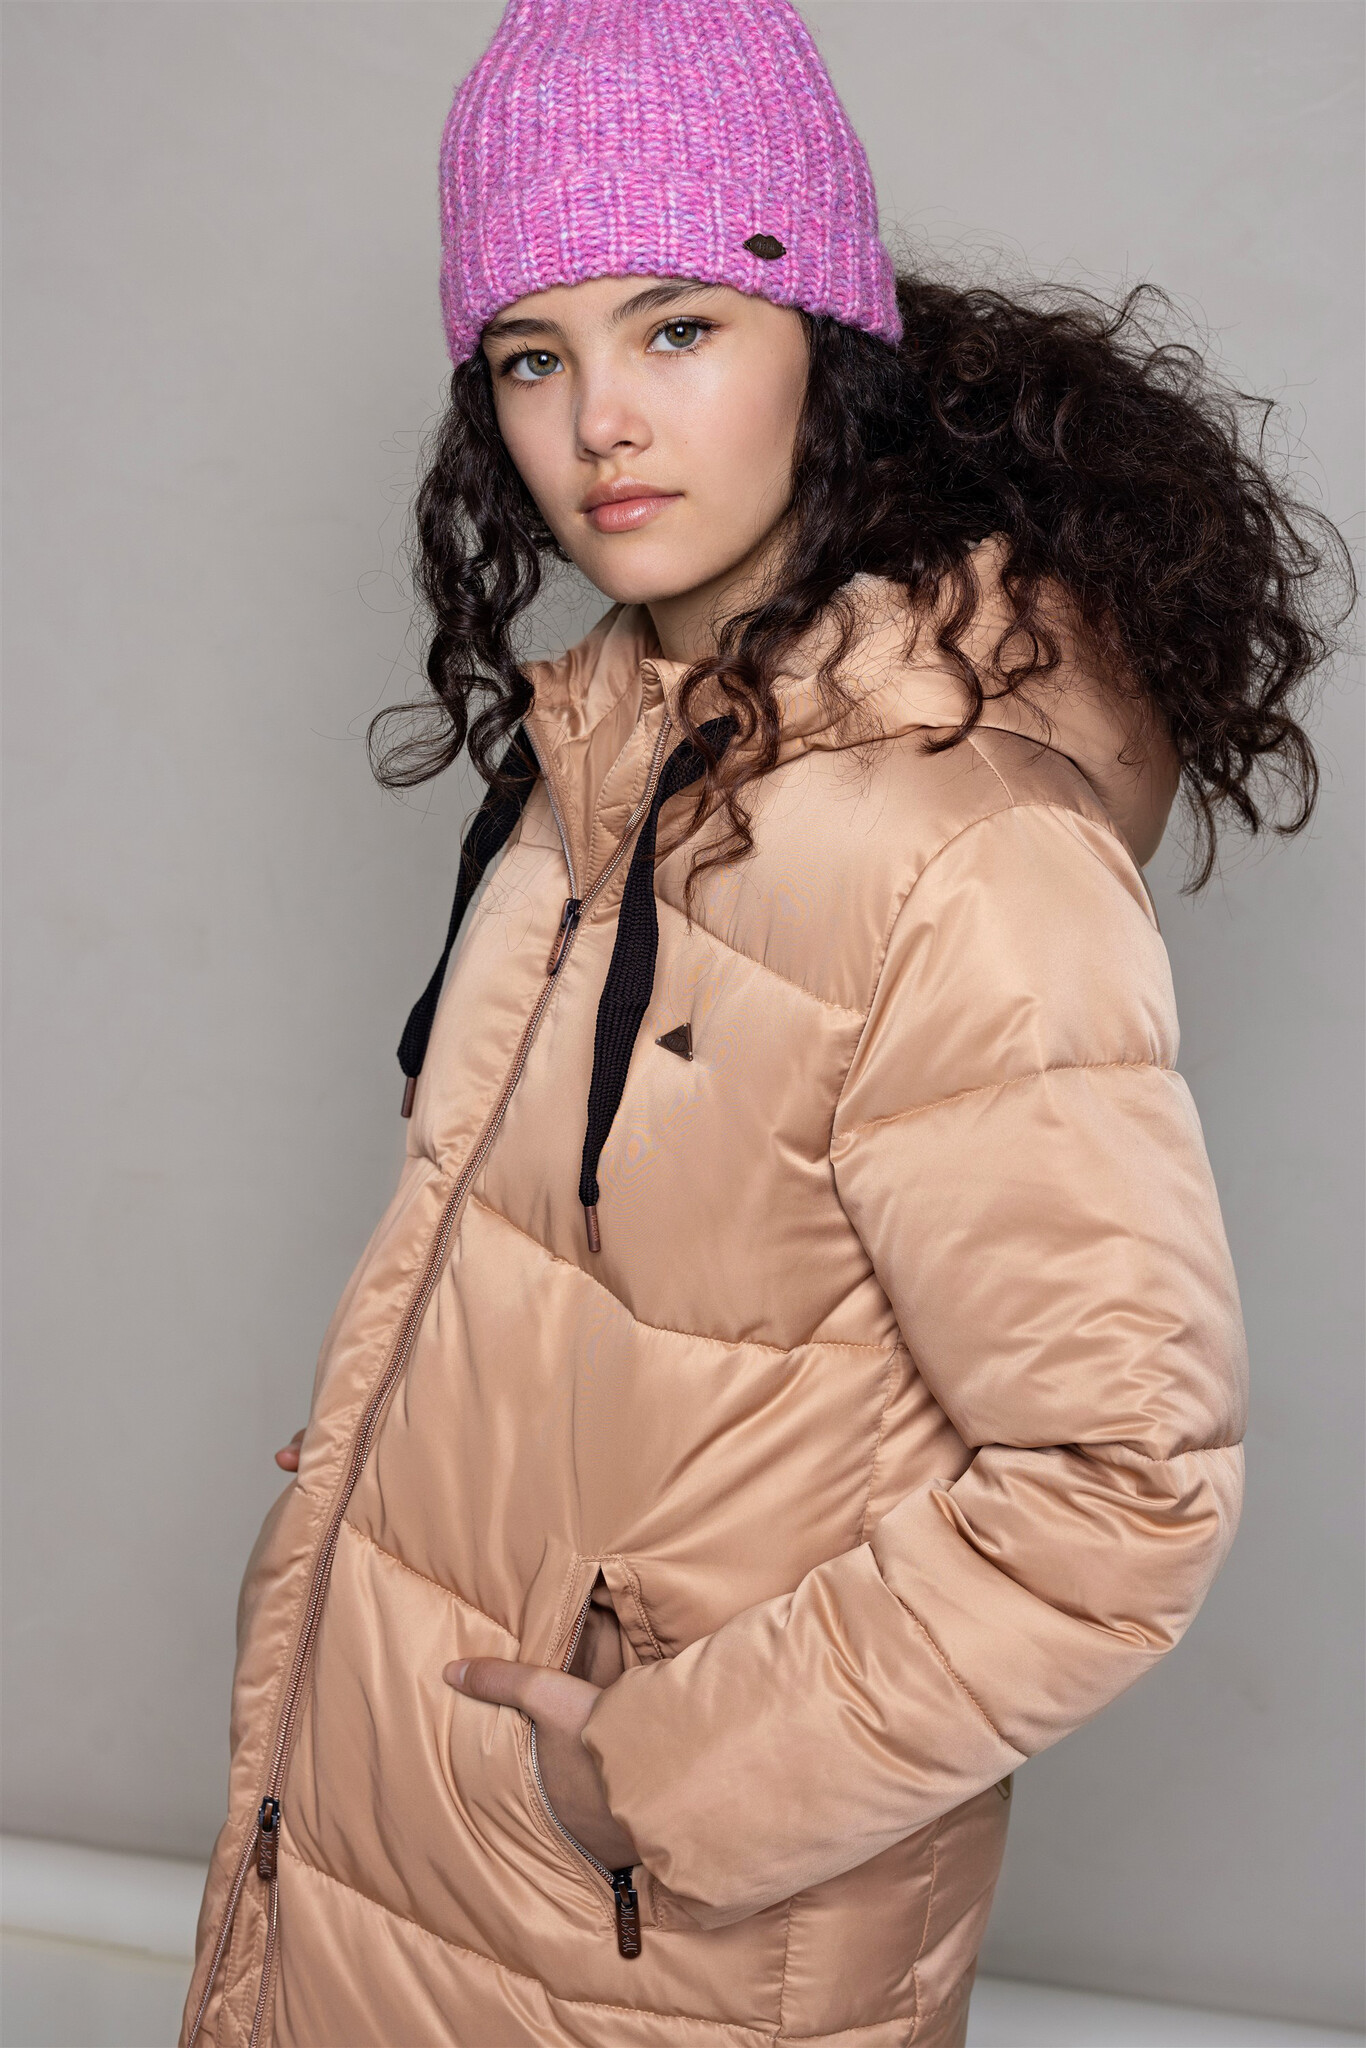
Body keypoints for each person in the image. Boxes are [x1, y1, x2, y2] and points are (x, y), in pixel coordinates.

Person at [181, 3, 1351, 2044]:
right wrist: (413, 1436)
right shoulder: (603, 754)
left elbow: (1117, 1491)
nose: (599, 424)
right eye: (530, 356)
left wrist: (658, 1778)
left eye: (677, 329)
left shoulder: (956, 852)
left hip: (654, 1924)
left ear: (825, 342)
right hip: (406, 1803)